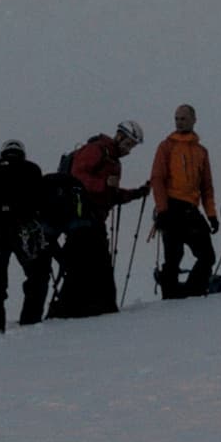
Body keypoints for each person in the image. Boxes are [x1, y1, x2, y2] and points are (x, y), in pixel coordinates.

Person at [48, 121, 144, 320]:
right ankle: (85, 310)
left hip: (92, 220)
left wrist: (136, 193)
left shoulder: (113, 160)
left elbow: (111, 195)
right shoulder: (97, 150)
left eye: (132, 146)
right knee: (91, 268)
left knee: (85, 268)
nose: (129, 150)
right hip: (83, 219)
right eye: (128, 144)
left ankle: (75, 311)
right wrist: (103, 184)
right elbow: (76, 177)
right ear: (119, 136)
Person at [0, 137, 52, 332]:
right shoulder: (32, 169)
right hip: (24, 230)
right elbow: (41, 201)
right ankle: (30, 320)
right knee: (37, 275)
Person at [146, 104, 218, 297]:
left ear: (194, 119)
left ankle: (190, 293)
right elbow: (157, 178)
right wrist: (162, 210)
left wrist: (211, 214)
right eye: (177, 118)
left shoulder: (201, 151)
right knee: (173, 256)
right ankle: (172, 298)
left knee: (206, 256)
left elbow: (206, 186)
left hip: (190, 208)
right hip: (172, 206)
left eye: (183, 118)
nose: (179, 122)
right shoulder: (166, 146)